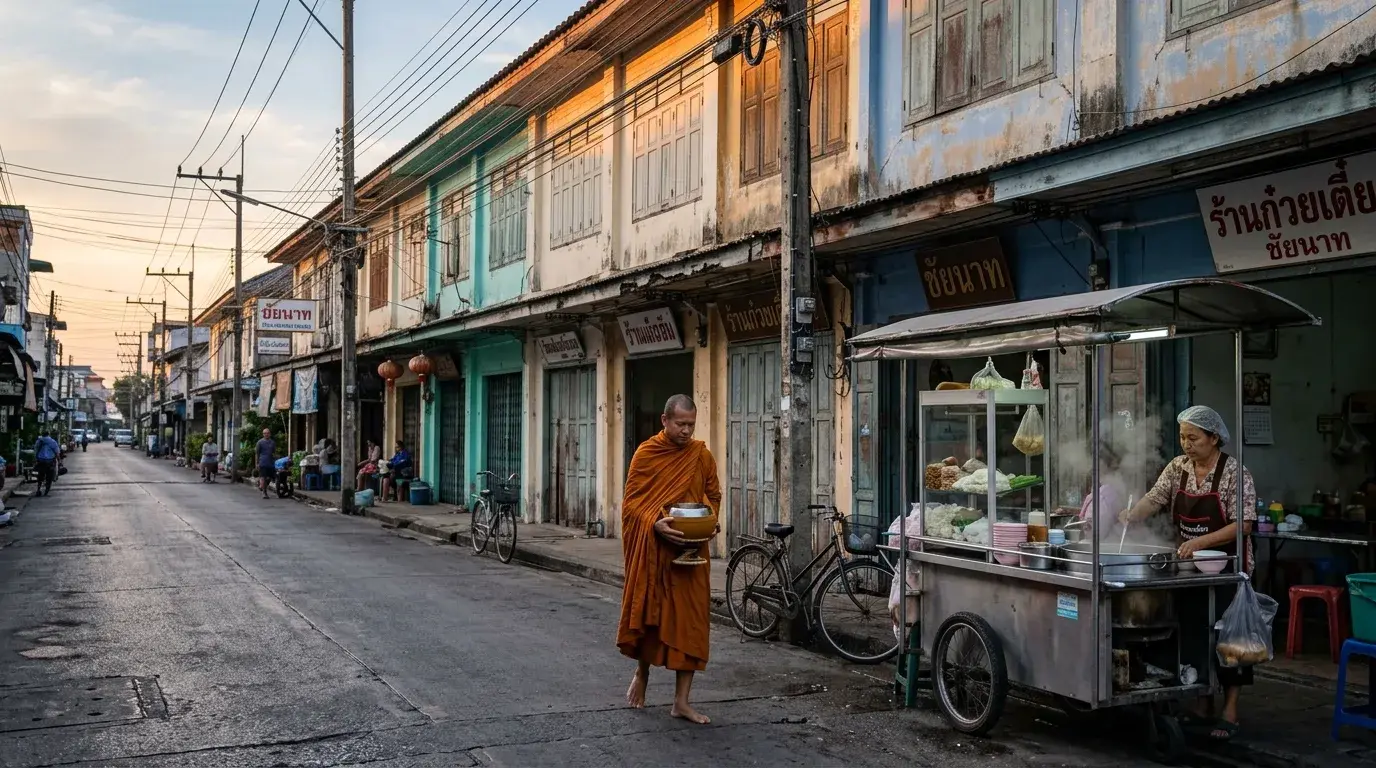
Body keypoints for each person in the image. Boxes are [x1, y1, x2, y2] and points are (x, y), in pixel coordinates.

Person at [1119, 405, 1256, 742]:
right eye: (1182, 437)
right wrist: (1132, 515)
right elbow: (1155, 498)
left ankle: (1231, 709)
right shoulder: (1178, 467)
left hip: (1227, 568)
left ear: (1214, 438)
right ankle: (1202, 702)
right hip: (1189, 570)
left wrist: (1201, 543)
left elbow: (1245, 524)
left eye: (1193, 438)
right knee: (1194, 631)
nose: (1186, 444)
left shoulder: (1234, 473)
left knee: (1231, 640)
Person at [616, 394, 720, 724]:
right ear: (665, 421)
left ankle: (681, 702)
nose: (687, 431)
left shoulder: (700, 455)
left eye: (691, 424)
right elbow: (631, 505)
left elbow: (712, 495)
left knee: (692, 623)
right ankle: (642, 672)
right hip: (656, 551)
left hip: (691, 551)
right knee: (651, 615)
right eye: (680, 424)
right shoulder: (647, 454)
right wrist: (653, 524)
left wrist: (709, 521)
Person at [34, 429, 60, 497]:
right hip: (50, 461)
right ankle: (47, 490)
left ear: (42, 434)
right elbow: (57, 452)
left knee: (40, 476)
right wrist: (59, 461)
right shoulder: (53, 441)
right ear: (49, 434)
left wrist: (35, 459)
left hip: (41, 461)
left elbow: (35, 451)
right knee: (49, 476)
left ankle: (38, 489)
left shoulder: (39, 441)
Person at [256, 428, 277, 499]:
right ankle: (264, 492)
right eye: (265, 433)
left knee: (270, 477)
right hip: (262, 462)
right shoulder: (260, 442)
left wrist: (275, 460)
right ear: (263, 434)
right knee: (264, 477)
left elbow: (274, 452)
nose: (266, 434)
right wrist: (257, 463)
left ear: (270, 434)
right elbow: (257, 453)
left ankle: (262, 485)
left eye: (267, 433)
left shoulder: (272, 442)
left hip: (270, 462)